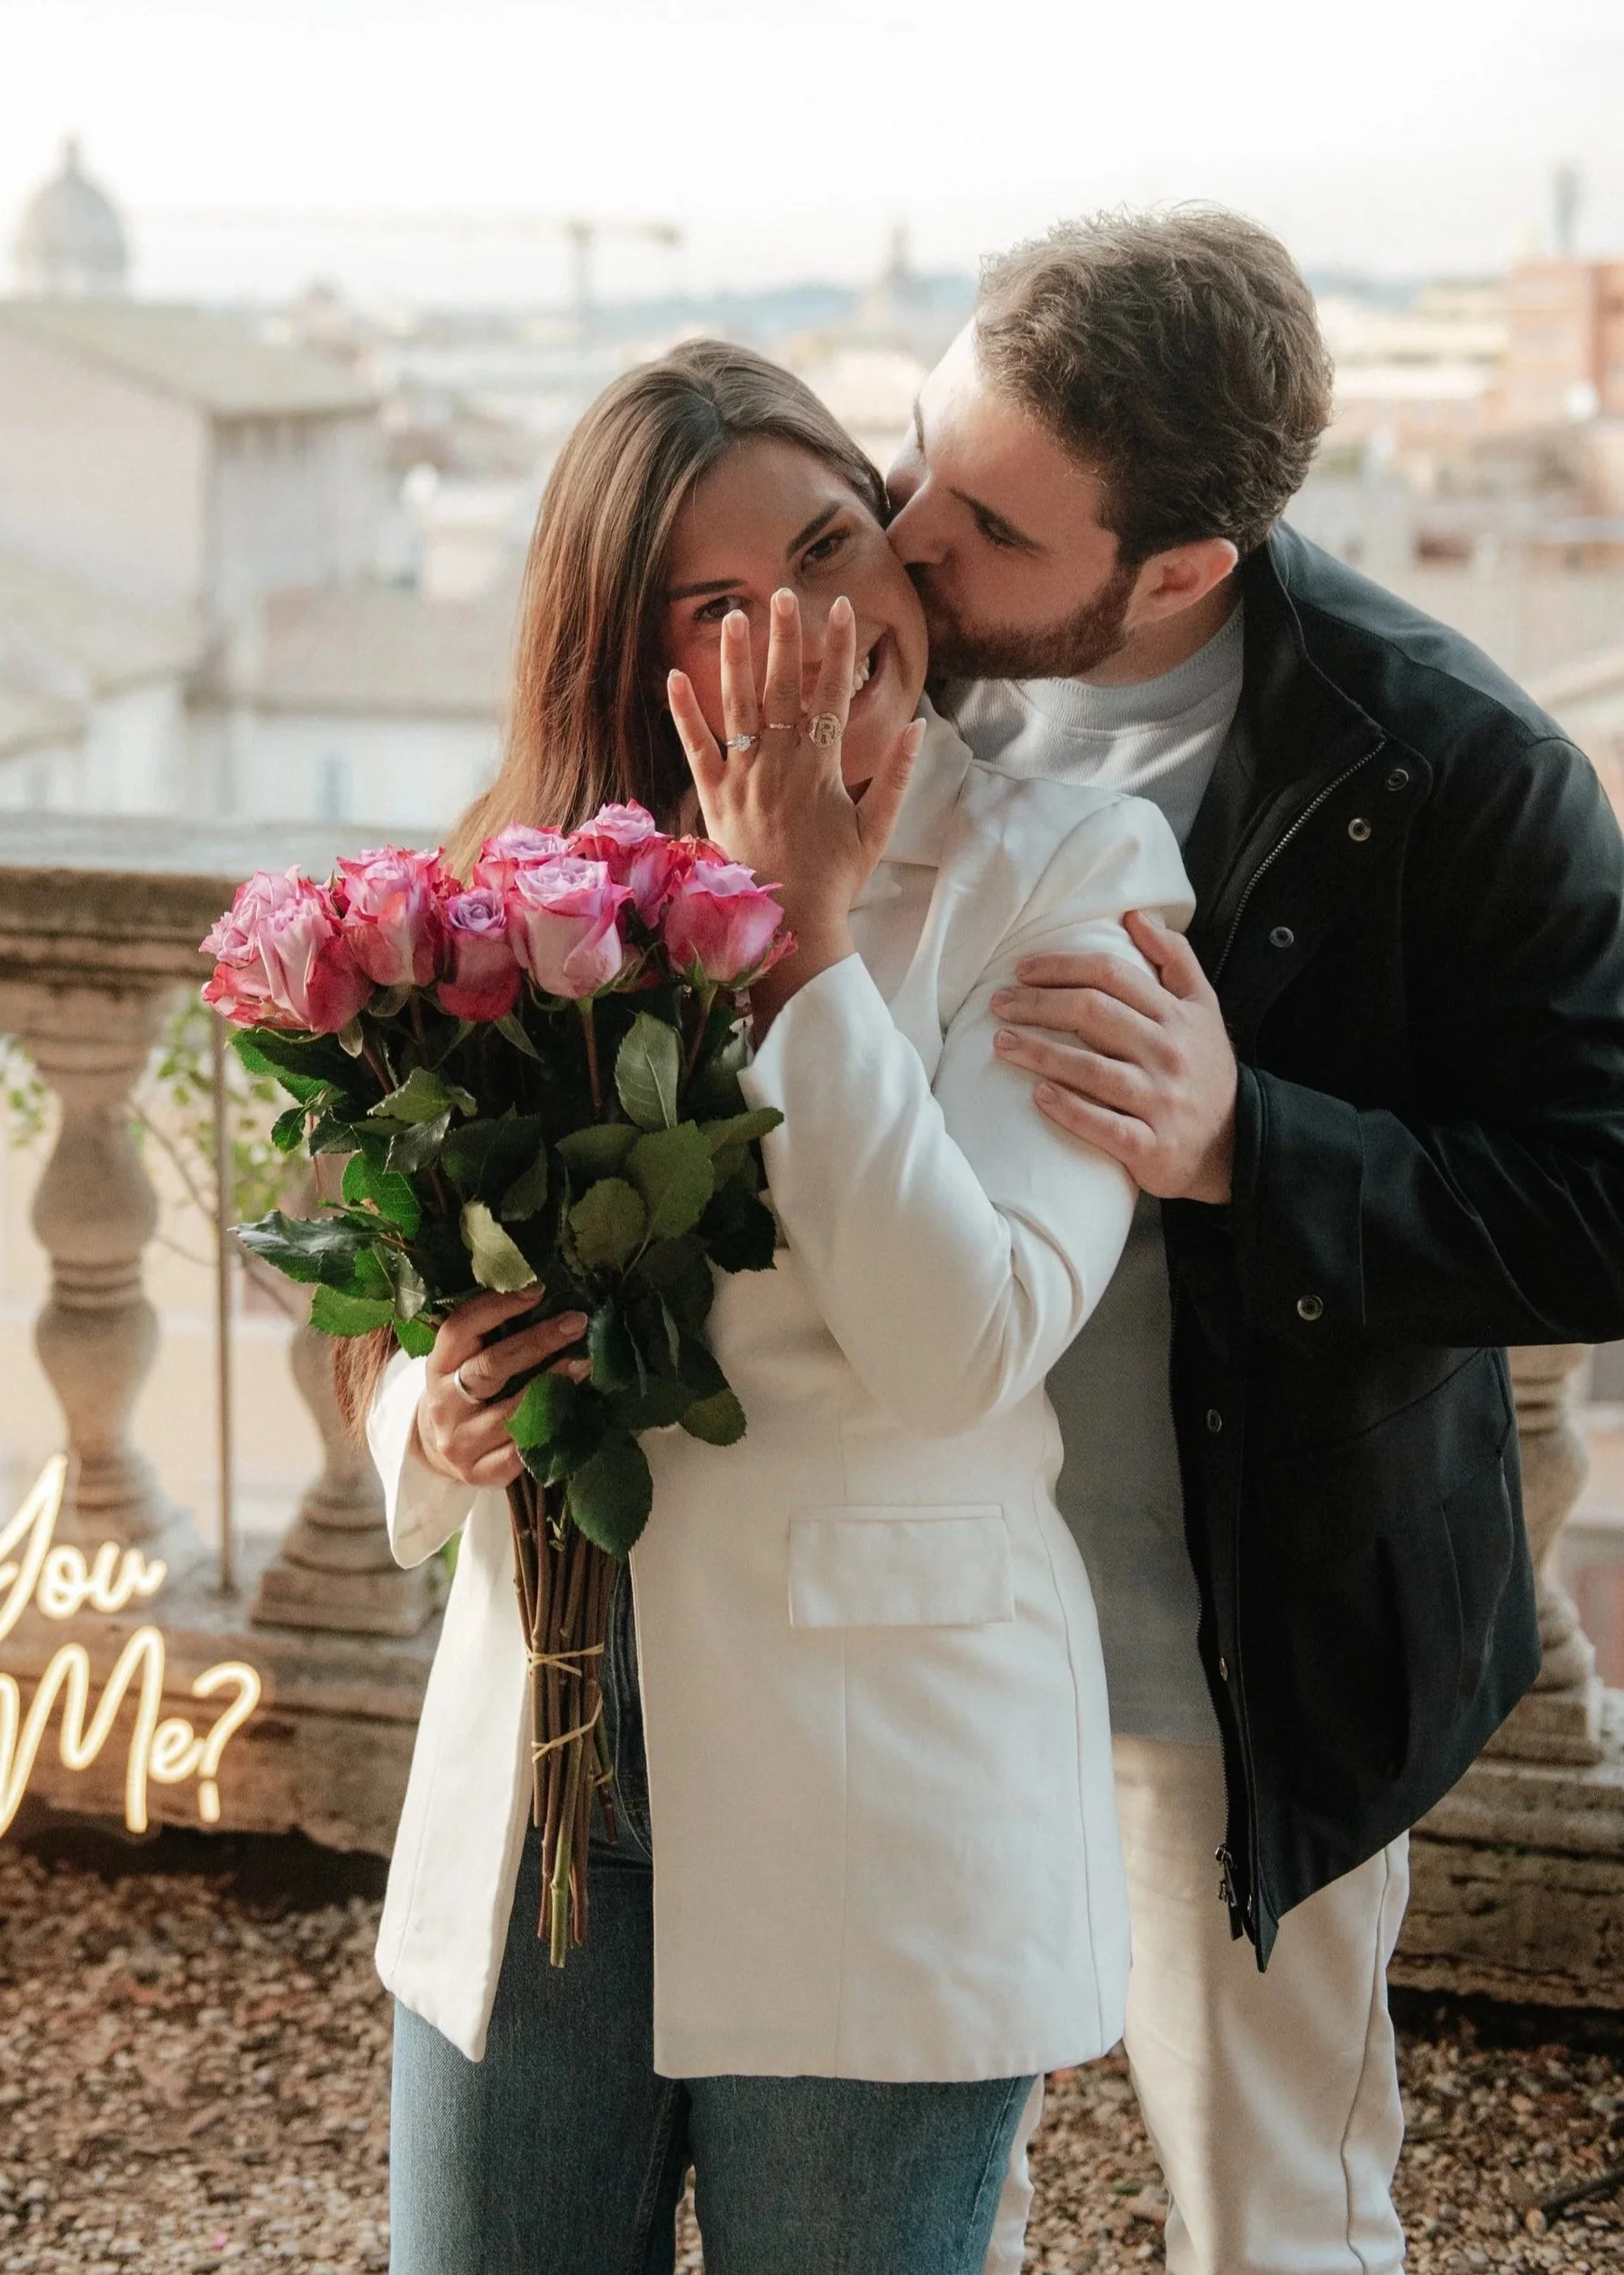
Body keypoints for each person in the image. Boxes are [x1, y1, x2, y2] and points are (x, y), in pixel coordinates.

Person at [356, 341, 1194, 2274]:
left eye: (829, 548)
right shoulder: (530, 889)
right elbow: (402, 1296)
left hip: (876, 1784)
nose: (806, 628)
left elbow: (960, 1340)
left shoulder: (1072, 873)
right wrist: (432, 1412)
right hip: (551, 1763)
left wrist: (798, 942)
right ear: (631, 663)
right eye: (720, 610)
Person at [880, 207, 1624, 2275]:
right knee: (913, 2196)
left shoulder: (1459, 769)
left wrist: (1246, 1145)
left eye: (991, 527)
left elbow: (1600, 1202)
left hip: (1240, 1639)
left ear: (1179, 569)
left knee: (1270, 2210)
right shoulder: (874, 623)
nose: (907, 533)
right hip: (900, 1596)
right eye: (917, 448)